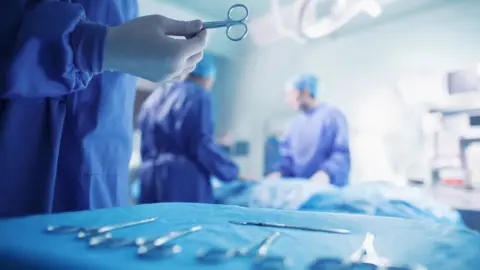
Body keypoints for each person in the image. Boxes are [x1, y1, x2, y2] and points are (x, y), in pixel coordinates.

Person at [0, 0, 208, 217]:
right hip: (27, 165)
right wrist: (93, 46)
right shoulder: (196, 98)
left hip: (107, 172)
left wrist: (106, 48)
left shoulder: (157, 99)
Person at [137, 56, 244, 204]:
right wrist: (233, 172)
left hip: (150, 178)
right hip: (182, 180)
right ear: (208, 77)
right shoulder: (198, 95)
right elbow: (201, 145)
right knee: (185, 225)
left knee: (151, 225)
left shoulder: (153, 99)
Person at [268, 74, 351, 187]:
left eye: (291, 94)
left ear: (306, 92)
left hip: (328, 190)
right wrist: (279, 173)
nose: (288, 100)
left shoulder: (333, 116)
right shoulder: (294, 124)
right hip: (300, 192)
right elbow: (288, 159)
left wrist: (326, 173)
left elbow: (341, 153)